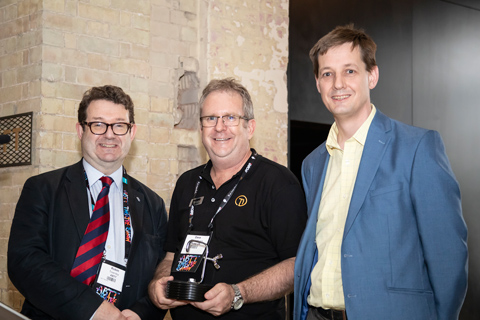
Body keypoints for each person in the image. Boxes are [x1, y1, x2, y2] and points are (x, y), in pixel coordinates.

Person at [293, 25, 468, 320]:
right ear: (317, 83)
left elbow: (447, 256)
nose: (337, 84)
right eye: (327, 74)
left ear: (371, 76)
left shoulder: (417, 148)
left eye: (349, 71)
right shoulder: (313, 163)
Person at [148, 78, 307, 319]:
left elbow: (298, 265)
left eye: (231, 118)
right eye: (210, 118)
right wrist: (159, 281)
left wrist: (238, 293)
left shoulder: (278, 183)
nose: (219, 127)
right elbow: (171, 255)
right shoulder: (187, 183)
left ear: (250, 127)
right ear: (201, 128)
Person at [8, 85, 168, 320]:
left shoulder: (152, 203)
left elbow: (158, 274)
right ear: (80, 130)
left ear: (132, 132)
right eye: (98, 124)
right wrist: (93, 309)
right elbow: (25, 262)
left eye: (119, 125)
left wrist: (140, 313)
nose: (110, 134)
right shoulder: (43, 189)